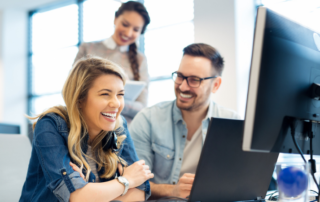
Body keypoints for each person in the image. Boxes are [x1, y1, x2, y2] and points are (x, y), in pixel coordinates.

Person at [19, 57, 153, 202]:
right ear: (79, 99)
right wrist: (126, 181)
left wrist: (90, 192)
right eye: (105, 94)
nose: (116, 103)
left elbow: (139, 193)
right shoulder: (50, 125)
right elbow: (76, 197)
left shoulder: (118, 126)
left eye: (120, 95)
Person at [129, 43, 241, 199]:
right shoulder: (147, 120)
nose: (182, 86)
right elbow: (135, 184)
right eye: (180, 76)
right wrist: (173, 190)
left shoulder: (233, 124)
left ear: (215, 85)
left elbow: (242, 184)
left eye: (194, 80)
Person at [74, 1, 150, 122]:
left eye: (136, 29)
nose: (128, 33)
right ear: (115, 19)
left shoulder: (140, 60)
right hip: (88, 125)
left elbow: (142, 107)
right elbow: (72, 90)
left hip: (123, 131)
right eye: (125, 24)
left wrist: (110, 101)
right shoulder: (88, 49)